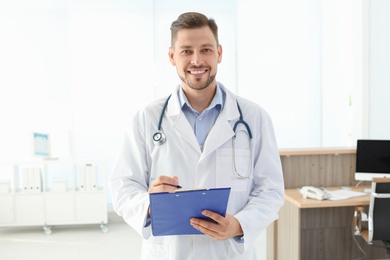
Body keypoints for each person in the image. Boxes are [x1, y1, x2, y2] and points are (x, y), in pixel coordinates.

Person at [109, 12, 285, 260]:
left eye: (205, 49)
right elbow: (123, 186)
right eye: (186, 51)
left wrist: (239, 225)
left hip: (228, 253)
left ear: (219, 53)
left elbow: (271, 190)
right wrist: (149, 205)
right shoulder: (146, 119)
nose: (197, 60)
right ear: (172, 56)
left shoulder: (254, 117)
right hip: (170, 251)